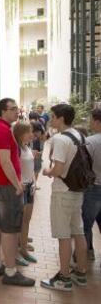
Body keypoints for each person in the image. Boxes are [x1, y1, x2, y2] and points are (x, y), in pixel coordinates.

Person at [0, 98, 35, 287]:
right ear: (3, 111)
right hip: (6, 186)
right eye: (13, 109)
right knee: (10, 228)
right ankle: (11, 271)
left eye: (16, 108)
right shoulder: (2, 130)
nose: (17, 111)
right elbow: (5, 161)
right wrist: (17, 184)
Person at [40, 104, 87, 291]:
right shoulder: (79, 135)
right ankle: (81, 273)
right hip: (77, 191)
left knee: (63, 236)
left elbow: (58, 169)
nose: (50, 119)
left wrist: (47, 171)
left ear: (60, 118)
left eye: (52, 116)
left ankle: (64, 277)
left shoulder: (60, 139)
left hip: (62, 192)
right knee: (78, 231)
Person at [13, 121, 37, 265]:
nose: (31, 134)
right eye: (29, 131)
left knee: (26, 220)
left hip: (30, 187)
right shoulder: (16, 149)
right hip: (20, 187)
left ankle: (23, 249)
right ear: (21, 133)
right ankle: (15, 252)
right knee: (18, 221)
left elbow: (31, 167)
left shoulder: (26, 147)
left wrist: (34, 182)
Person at [82, 108, 101, 263]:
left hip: (93, 187)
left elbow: (84, 167)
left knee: (85, 224)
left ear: (96, 121)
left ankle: (86, 252)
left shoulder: (91, 141)